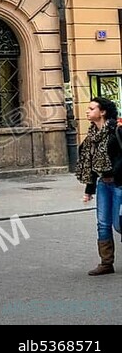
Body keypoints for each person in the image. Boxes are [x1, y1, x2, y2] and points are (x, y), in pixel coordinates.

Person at [76, 96, 122, 276]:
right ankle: (106, 263)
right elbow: (92, 165)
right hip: (104, 184)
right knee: (103, 224)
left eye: (91, 108)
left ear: (102, 112)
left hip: (119, 184)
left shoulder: (116, 131)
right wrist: (89, 190)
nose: (87, 111)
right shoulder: (92, 137)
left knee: (118, 224)